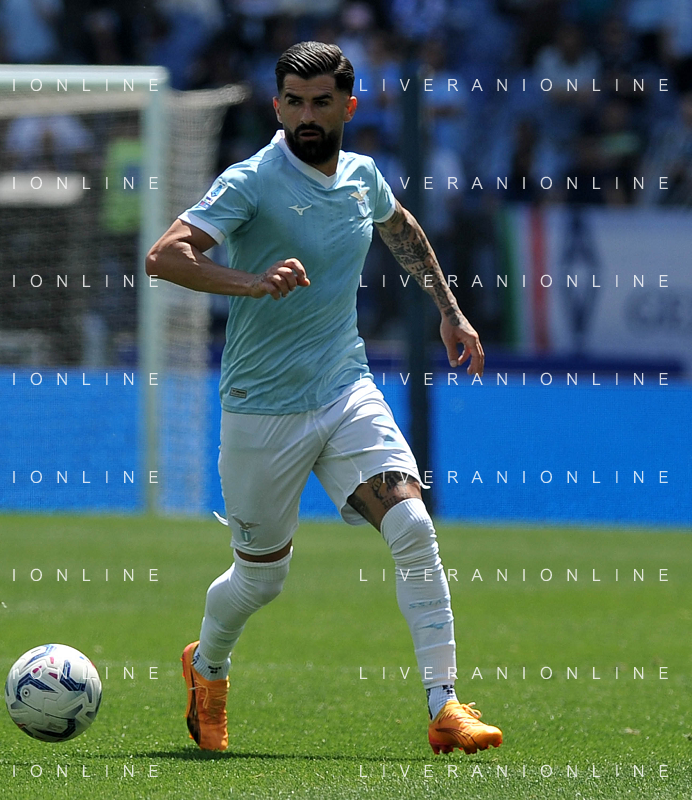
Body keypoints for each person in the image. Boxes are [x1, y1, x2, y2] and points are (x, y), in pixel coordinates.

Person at [145, 41, 502, 756]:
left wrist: (450, 310)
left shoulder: (363, 176)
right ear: (277, 106)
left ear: (348, 106)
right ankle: (207, 666)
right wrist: (253, 283)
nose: (306, 115)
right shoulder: (251, 180)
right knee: (261, 579)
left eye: (321, 102)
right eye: (294, 102)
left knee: (413, 526)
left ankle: (444, 705)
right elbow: (165, 256)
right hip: (260, 404)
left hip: (344, 388)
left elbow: (400, 227)